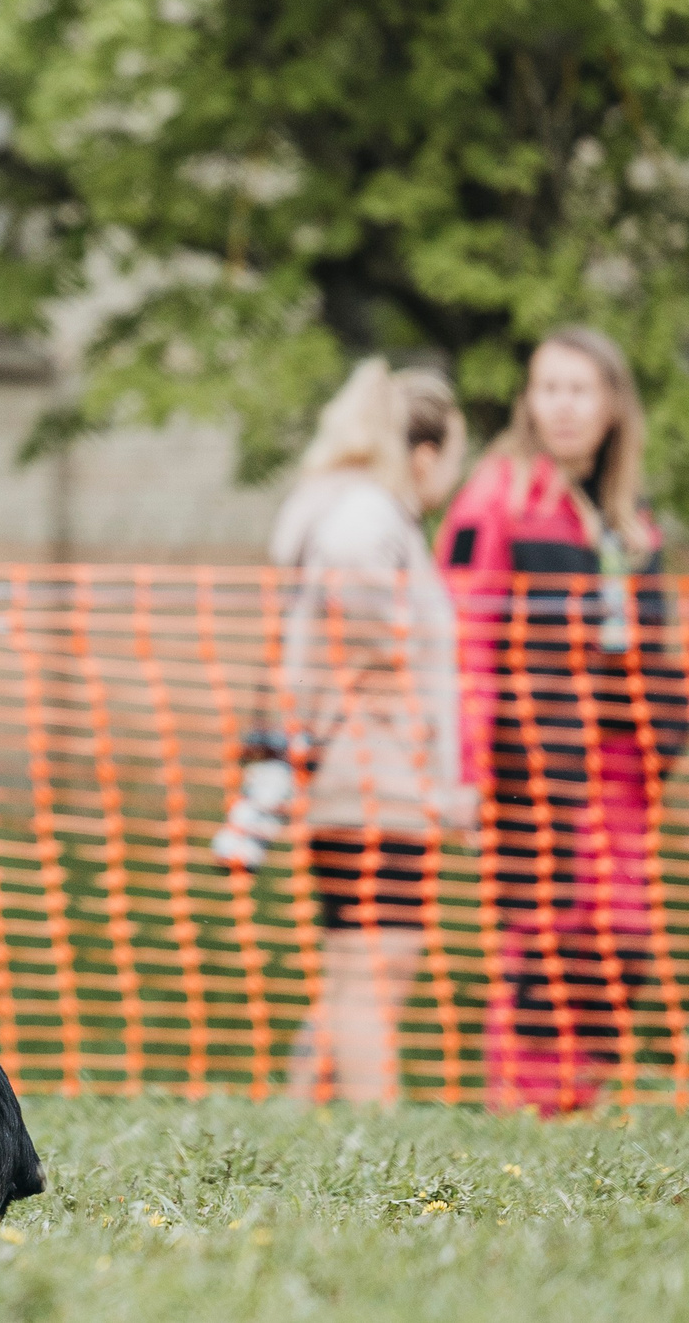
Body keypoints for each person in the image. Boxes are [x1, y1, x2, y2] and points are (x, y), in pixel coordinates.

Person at [438, 327, 683, 1114]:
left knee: (623, 942)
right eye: (549, 388)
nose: (564, 406)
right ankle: (524, 1107)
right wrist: (465, 774)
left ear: (613, 405)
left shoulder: (628, 518)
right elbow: (462, 642)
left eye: (581, 390)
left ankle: (582, 1101)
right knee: (543, 940)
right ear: (530, 402)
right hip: (533, 766)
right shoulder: (498, 497)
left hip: (623, 775)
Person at [264, 361, 474, 1106]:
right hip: (376, 779)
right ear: (424, 454)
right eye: (454, 454)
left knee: (355, 970)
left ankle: (294, 1116)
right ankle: (378, 1128)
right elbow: (359, 601)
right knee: (377, 972)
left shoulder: (354, 509)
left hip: (360, 777)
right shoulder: (371, 517)